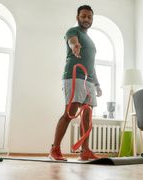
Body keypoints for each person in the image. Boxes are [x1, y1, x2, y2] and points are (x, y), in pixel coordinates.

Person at [49, 5, 102, 161]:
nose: (86, 19)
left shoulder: (91, 41)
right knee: (70, 114)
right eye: (83, 16)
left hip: (89, 81)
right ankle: (55, 149)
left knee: (87, 117)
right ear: (77, 17)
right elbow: (72, 42)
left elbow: (91, 65)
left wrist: (97, 84)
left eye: (89, 17)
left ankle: (85, 151)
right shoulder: (73, 32)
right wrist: (75, 46)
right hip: (74, 77)